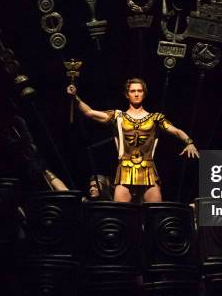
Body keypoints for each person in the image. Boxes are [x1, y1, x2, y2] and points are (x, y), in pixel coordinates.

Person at [67, 77, 199, 203]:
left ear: (144, 94)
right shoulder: (118, 116)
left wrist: (189, 142)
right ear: (127, 94)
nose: (136, 94)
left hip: (147, 169)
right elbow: (89, 112)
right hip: (125, 168)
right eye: (132, 91)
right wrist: (75, 97)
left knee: (155, 213)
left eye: (139, 91)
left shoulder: (155, 118)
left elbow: (176, 131)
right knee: (121, 214)